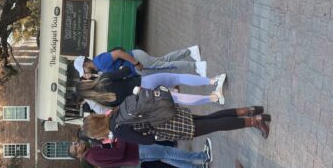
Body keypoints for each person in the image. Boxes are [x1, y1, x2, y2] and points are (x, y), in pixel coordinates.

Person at [82, 105, 271, 144]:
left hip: (170, 126)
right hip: (170, 112)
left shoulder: (118, 130)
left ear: (98, 132)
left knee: (215, 125)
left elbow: (146, 141)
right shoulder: (116, 111)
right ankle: (249, 110)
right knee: (209, 118)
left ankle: (255, 121)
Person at [76, 66, 228, 107]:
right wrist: (121, 69)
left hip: (145, 97)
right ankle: (213, 81)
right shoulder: (104, 78)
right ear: (86, 83)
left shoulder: (102, 101)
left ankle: (213, 98)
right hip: (143, 82)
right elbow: (127, 71)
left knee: (178, 98)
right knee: (178, 78)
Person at [69, 138, 215, 168]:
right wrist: (120, 137)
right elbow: (118, 153)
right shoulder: (92, 155)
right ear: (78, 155)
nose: (78, 144)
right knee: (167, 152)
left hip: (136, 155)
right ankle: (203, 156)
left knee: (167, 156)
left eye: (76, 143)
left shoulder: (92, 155)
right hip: (136, 152)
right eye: (76, 147)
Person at [73, 46, 207, 78]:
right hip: (136, 58)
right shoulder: (98, 64)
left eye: (83, 71)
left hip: (137, 63)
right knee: (164, 61)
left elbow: (118, 52)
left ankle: (196, 66)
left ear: (85, 64)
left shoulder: (100, 63)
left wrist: (136, 63)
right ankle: (191, 51)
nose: (84, 74)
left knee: (167, 67)